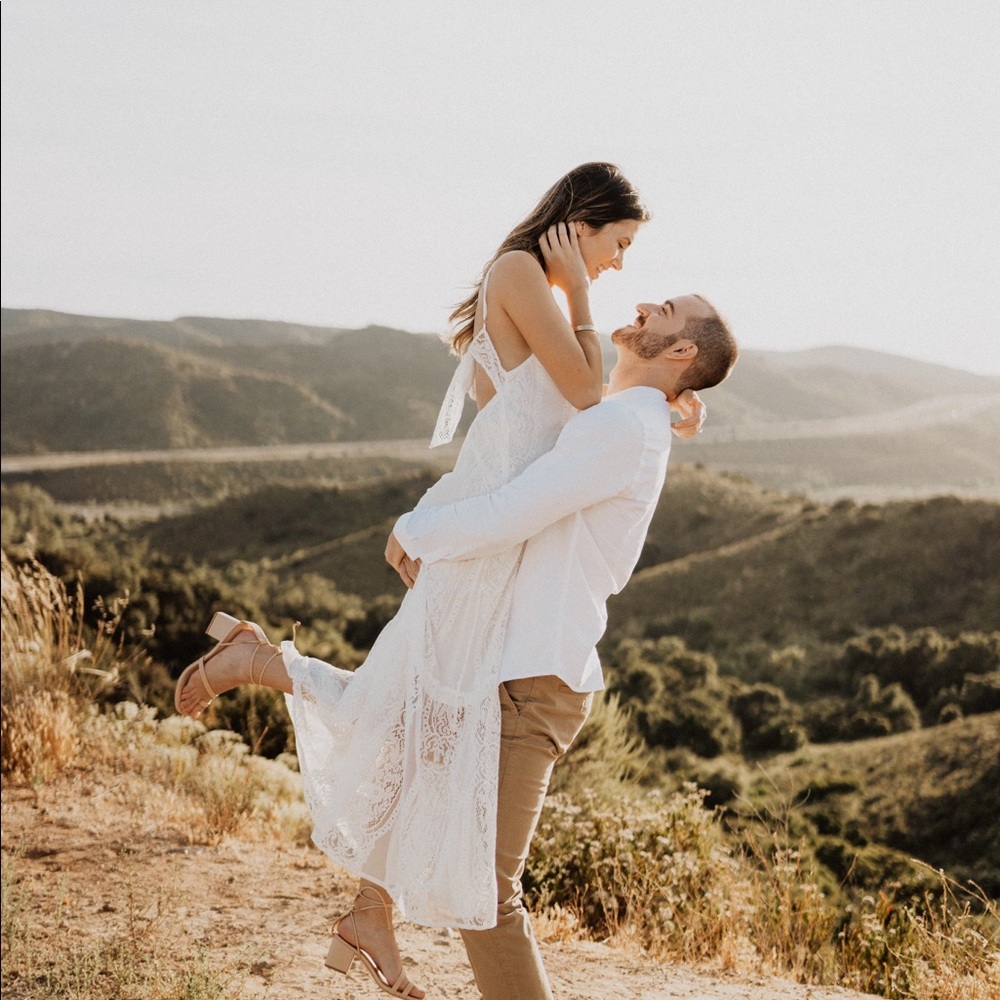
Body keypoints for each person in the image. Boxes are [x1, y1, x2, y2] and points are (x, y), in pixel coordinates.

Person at [175, 162, 667, 999]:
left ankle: (372, 910)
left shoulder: (523, 288)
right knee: (409, 713)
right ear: (583, 222)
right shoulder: (521, 275)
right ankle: (261, 663)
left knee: (430, 722)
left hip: (490, 533)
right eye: (616, 244)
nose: (618, 265)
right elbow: (583, 395)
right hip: (482, 537)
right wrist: (584, 297)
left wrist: (676, 399)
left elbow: (549, 418)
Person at [386, 292, 738, 1000]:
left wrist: (414, 532)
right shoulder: (627, 419)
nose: (643, 302)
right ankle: (260, 662)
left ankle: (259, 661)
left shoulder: (625, 430)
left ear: (680, 354)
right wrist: (674, 404)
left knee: (485, 892)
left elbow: (517, 510)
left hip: (534, 678)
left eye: (664, 310)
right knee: (421, 805)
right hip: (519, 668)